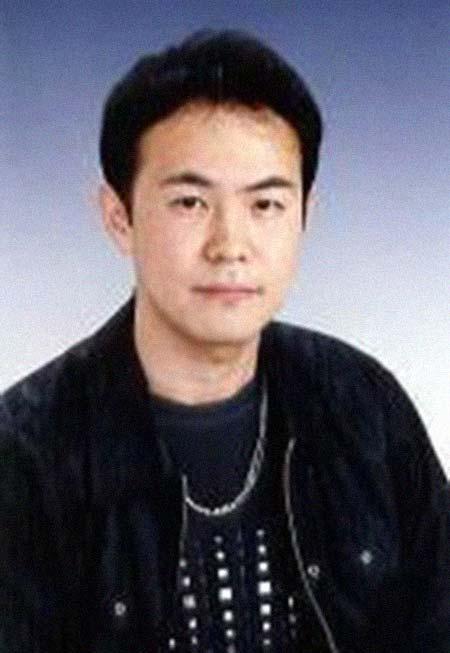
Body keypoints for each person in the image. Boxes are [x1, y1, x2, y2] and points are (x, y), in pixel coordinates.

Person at [0, 29, 448, 653]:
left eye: (265, 205)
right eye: (190, 202)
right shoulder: (26, 455)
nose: (230, 245)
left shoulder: (362, 404)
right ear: (119, 218)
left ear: (305, 217)